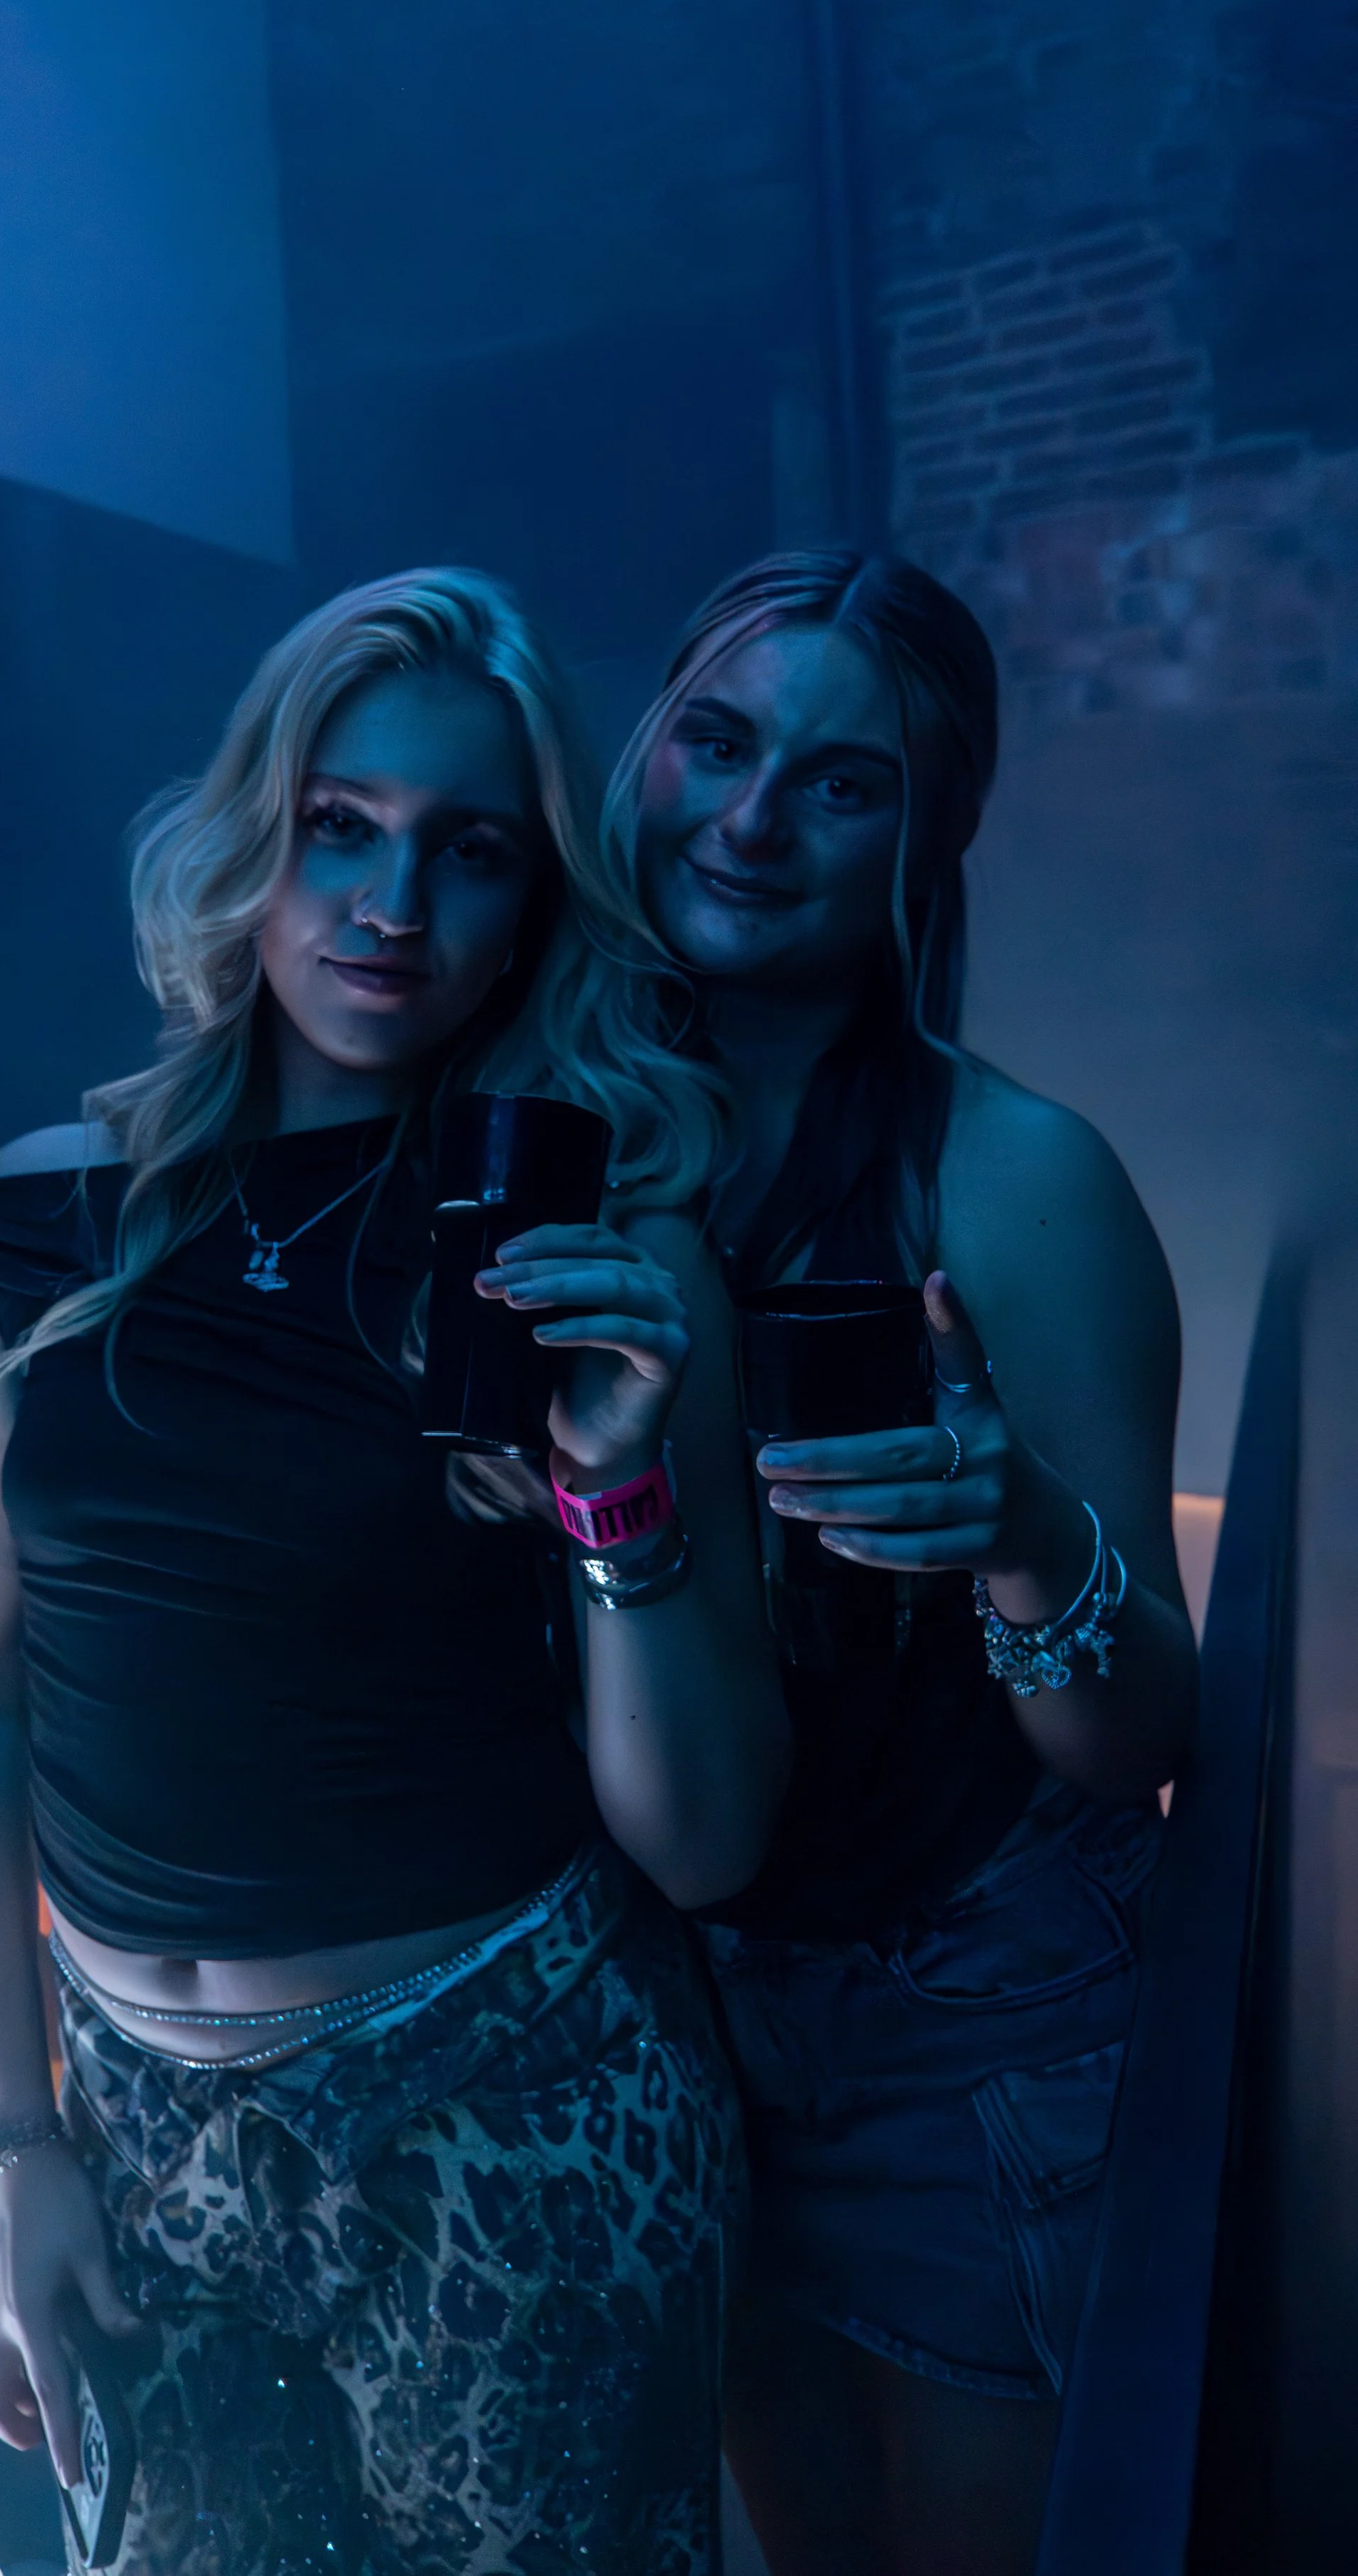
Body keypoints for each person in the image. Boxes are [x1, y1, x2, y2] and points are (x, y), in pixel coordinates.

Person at [0, 568, 784, 2574]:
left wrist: (615, 1494)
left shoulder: (598, 1262)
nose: (395, 900)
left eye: (469, 852)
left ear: (529, 906)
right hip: (126, 2139)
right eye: (343, 824)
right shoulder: (42, 1221)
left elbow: (710, 1836)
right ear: (256, 834)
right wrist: (10, 2144)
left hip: (512, 2104)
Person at [602, 551, 1198, 2576]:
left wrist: (1021, 1534)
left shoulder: (1011, 1173)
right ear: (646, 747)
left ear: (923, 838)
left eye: (839, 783)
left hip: (974, 2025)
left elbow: (1132, 1733)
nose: (752, 819)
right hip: (680, 2015)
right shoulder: (544, 1133)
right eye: (717, 740)